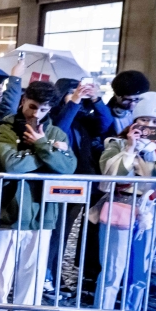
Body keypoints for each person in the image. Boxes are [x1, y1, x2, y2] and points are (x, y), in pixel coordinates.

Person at [0, 81, 76, 311]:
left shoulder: (56, 132)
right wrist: (45, 150)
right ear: (23, 101)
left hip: (42, 213)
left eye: (43, 109)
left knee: (32, 275)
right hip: (7, 211)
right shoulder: (4, 129)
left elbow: (68, 167)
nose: (36, 114)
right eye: (32, 107)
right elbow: (12, 165)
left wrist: (41, 144)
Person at [90, 92, 156, 311]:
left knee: (140, 272)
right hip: (120, 212)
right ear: (133, 121)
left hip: (150, 216)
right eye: (143, 121)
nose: (148, 127)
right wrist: (130, 148)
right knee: (112, 271)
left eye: (154, 122)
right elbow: (112, 176)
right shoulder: (115, 144)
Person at [46, 78, 114, 287]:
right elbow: (60, 127)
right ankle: (47, 274)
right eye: (73, 91)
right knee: (54, 230)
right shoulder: (53, 116)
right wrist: (74, 101)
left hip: (80, 182)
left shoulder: (85, 120)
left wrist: (95, 98)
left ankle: (55, 275)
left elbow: (106, 122)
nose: (78, 94)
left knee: (64, 232)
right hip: (57, 181)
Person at [107, 70, 150, 136]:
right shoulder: (105, 113)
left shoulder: (153, 113)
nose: (132, 104)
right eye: (126, 100)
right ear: (116, 95)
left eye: (136, 100)